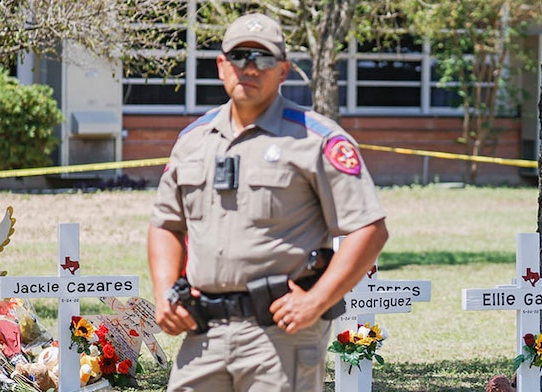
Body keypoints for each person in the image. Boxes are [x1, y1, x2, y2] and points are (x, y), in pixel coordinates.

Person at [147, 13, 388, 392]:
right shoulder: (193, 141)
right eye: (240, 56)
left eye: (263, 58)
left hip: (281, 337)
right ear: (222, 65)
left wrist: (316, 301)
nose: (250, 67)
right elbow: (166, 225)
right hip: (203, 334)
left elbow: (369, 228)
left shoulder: (315, 140)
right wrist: (164, 294)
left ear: (283, 71)